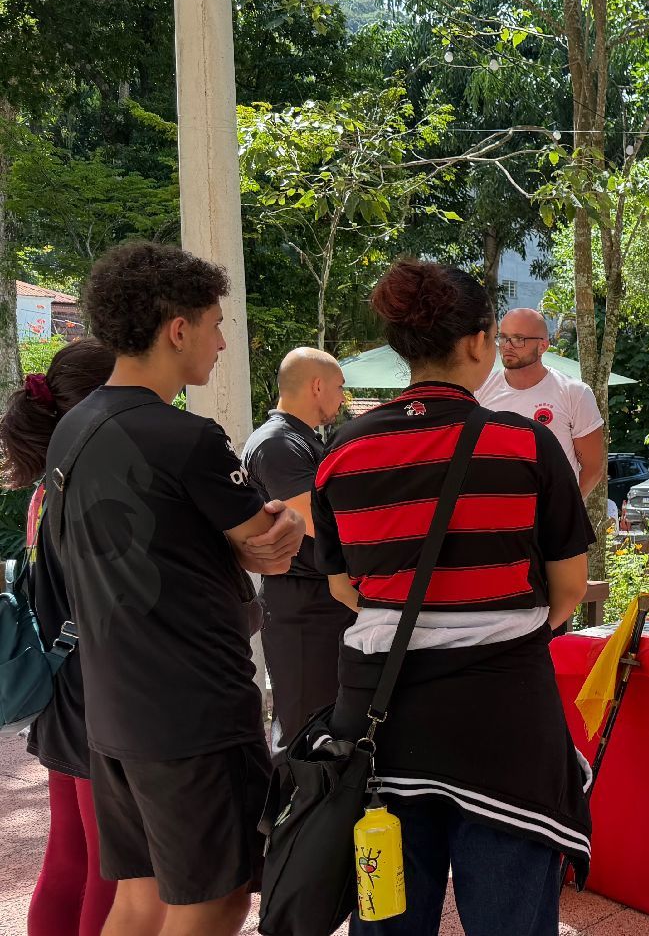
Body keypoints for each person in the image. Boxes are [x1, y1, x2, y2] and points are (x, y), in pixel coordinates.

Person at [315, 259, 594, 935]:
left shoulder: (342, 452)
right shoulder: (526, 446)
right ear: (477, 342)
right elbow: (567, 590)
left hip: (380, 722)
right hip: (502, 721)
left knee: (387, 917)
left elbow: (344, 586)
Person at [46, 242, 304, 935]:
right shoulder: (188, 439)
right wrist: (275, 531)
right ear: (178, 329)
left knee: (139, 899)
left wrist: (250, 541)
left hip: (112, 706)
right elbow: (269, 543)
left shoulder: (72, 427)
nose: (221, 342)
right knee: (217, 900)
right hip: (192, 711)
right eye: (215, 325)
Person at [0, 339, 116, 936]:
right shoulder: (89, 486)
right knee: (108, 868)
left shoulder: (49, 487)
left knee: (69, 856)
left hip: (59, 682)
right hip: (95, 691)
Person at [242, 347, 357, 752]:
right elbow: (319, 521)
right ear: (317, 386)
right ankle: (290, 795)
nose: (342, 397)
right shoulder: (278, 443)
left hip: (320, 601)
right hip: (303, 606)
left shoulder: (299, 439)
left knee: (326, 724)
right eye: (340, 387)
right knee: (303, 729)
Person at [475, 307, 605, 497]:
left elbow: (594, 468)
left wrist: (565, 509)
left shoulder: (574, 392)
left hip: (551, 512)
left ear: (543, 346)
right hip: (494, 509)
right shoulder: (480, 389)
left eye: (519, 339)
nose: (507, 346)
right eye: (502, 337)